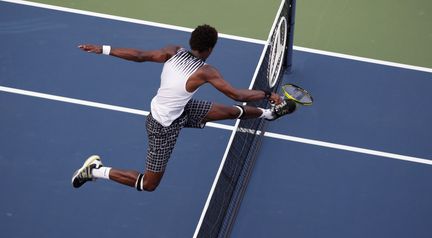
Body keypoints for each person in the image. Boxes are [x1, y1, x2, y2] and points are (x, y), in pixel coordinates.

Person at [72, 24, 296, 192]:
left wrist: (103, 48)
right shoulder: (205, 71)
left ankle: (268, 114)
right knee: (149, 184)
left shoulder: (173, 51)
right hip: (162, 127)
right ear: (210, 49)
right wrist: (267, 93)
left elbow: (140, 56)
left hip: (181, 109)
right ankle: (95, 170)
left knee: (230, 111)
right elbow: (237, 93)